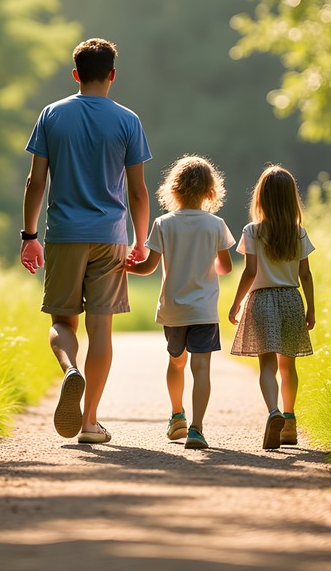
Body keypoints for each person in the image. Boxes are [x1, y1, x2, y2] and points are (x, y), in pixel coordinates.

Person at [21, 38, 151, 445]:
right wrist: (140, 241)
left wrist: (29, 236)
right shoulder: (128, 120)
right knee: (102, 330)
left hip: (63, 235)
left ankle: (69, 370)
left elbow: (35, 181)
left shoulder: (52, 115)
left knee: (62, 321)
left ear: (76, 74)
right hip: (111, 237)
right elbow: (138, 193)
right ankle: (90, 422)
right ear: (112, 74)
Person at [127, 155, 234, 450]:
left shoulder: (163, 224)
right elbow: (225, 268)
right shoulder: (216, 225)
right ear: (210, 191)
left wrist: (126, 267)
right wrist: (208, 257)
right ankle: (197, 429)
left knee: (176, 363)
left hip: (173, 309)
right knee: (201, 367)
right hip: (203, 309)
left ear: (173, 190)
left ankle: (177, 416)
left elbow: (148, 267)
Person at [228, 164, 316, 450]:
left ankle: (273, 412)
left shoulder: (252, 231)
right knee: (287, 366)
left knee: (267, 366)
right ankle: (289, 422)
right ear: (292, 198)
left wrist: (236, 302)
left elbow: (250, 271)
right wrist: (311, 308)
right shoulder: (298, 233)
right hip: (292, 300)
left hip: (262, 300)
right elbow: (305, 274)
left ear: (261, 198)